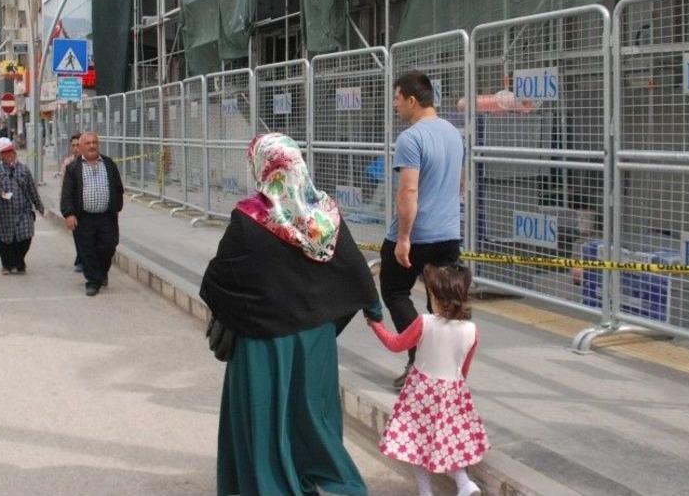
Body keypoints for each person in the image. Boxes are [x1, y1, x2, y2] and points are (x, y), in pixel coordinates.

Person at [200, 133, 382, 496]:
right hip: (316, 341)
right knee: (312, 416)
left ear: (263, 166)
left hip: (262, 343)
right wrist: (370, 306)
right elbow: (352, 267)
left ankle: (270, 484)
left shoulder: (249, 217)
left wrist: (234, 312)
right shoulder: (325, 213)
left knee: (266, 418)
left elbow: (219, 279)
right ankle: (321, 479)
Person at [367, 263, 488, 496]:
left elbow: (395, 344)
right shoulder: (472, 330)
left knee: (417, 444)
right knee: (449, 443)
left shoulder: (425, 323)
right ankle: (464, 484)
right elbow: (464, 370)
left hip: (421, 392)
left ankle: (426, 493)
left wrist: (376, 325)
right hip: (453, 392)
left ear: (439, 298)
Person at [381, 70, 465, 389]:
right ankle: (441, 370)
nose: (395, 105)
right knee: (441, 303)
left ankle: (420, 362)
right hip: (448, 234)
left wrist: (403, 238)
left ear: (412, 101)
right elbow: (460, 183)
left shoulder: (411, 138)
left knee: (394, 290)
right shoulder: (454, 134)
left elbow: (409, 191)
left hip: (418, 234)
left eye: (397, 99)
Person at [60, 131, 124, 296]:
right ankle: (93, 281)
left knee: (109, 246)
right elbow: (67, 193)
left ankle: (101, 273)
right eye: (87, 143)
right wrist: (69, 214)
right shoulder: (73, 168)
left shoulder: (109, 164)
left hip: (106, 216)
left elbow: (118, 187)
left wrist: (116, 206)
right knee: (87, 250)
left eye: (94, 142)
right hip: (84, 217)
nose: (92, 146)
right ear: (80, 147)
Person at [0, 137, 44, 274]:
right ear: (0, 155)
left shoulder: (24, 170)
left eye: (11, 152)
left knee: (25, 237)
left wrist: (39, 206)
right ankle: (6, 264)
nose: (9, 155)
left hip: (23, 210)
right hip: (3, 211)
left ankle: (19, 260)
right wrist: (0, 192)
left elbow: (32, 189)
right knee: (3, 240)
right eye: (5, 153)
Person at [59, 133, 84, 272]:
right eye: (73, 145)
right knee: (78, 233)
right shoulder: (68, 163)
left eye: (77, 145)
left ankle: (83, 258)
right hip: (74, 205)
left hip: (86, 204)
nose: (75, 148)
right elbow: (65, 185)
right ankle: (81, 258)